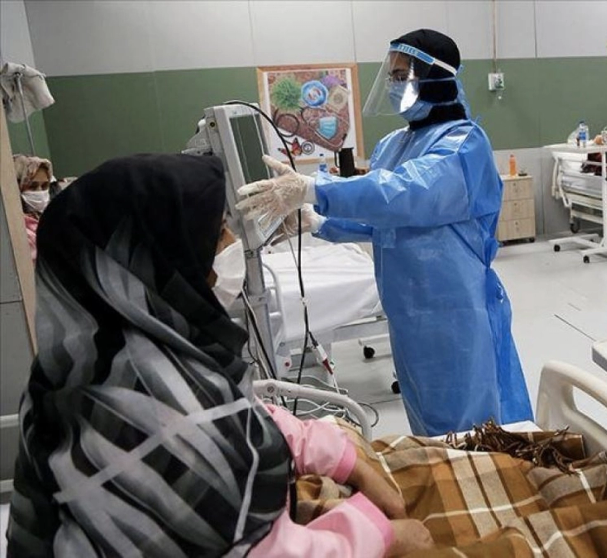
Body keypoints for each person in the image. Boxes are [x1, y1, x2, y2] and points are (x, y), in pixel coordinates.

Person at [6, 153, 432, 557]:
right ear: (152, 266)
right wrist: (383, 535)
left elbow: (238, 413)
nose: (229, 246)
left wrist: (328, 450)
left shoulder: (74, 372)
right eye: (215, 237)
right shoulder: (169, 415)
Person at [236, 29, 533, 436]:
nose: (393, 86)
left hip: (455, 312)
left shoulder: (463, 145)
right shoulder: (394, 144)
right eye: (390, 76)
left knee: (472, 428)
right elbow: (383, 218)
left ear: (434, 78)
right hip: (406, 313)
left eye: (401, 76)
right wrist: (317, 221)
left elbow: (407, 194)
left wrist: (313, 189)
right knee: (427, 423)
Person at [13, 154, 54, 261]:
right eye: (32, 186)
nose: (40, 192)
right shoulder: (16, 228)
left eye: (45, 186)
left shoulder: (51, 218)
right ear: (18, 188)